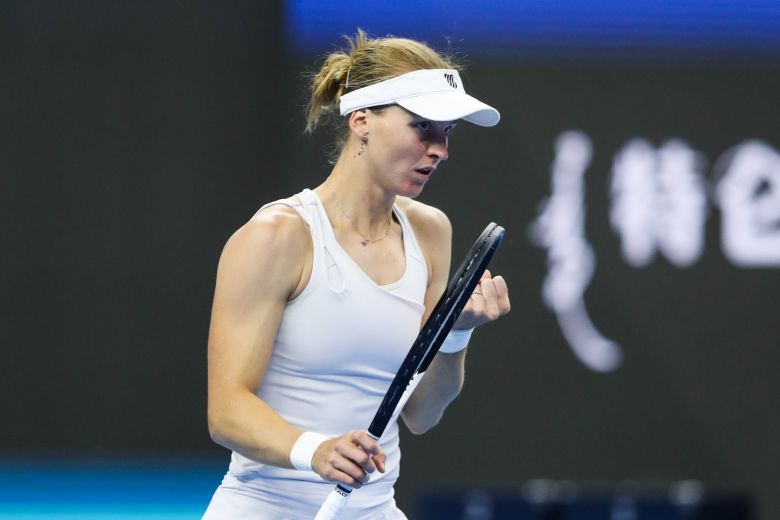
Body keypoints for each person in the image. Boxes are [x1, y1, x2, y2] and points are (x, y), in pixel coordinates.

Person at [203, 30, 510, 519]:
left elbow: (422, 414)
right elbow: (226, 412)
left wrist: (456, 335)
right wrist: (316, 450)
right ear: (361, 120)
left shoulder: (431, 231)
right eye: (422, 127)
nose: (440, 149)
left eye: (447, 131)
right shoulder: (276, 236)